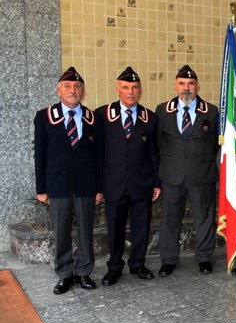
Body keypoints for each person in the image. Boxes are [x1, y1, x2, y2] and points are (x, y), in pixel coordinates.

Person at [34, 67, 103, 294]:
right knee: (61, 231)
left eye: (77, 87)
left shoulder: (93, 118)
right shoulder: (44, 117)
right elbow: (40, 155)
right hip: (58, 185)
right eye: (67, 86)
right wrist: (41, 189)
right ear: (58, 91)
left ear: (82, 92)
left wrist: (99, 189)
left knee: (85, 231)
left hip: (86, 185)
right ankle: (64, 274)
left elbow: (99, 156)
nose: (72, 90)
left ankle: (84, 272)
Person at [97, 67, 160, 286]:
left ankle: (138, 264)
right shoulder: (102, 115)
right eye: (125, 87)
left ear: (140, 90)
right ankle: (114, 267)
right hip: (113, 183)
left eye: (134, 87)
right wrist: (98, 185)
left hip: (141, 182)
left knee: (141, 225)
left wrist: (156, 183)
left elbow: (154, 153)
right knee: (114, 227)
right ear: (118, 90)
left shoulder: (149, 117)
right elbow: (97, 153)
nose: (130, 91)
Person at [155, 65, 219, 277]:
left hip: (201, 175)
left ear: (197, 86)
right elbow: (158, 144)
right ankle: (168, 259)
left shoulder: (211, 111)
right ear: (175, 86)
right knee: (169, 219)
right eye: (182, 83)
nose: (186, 88)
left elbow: (215, 144)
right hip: (172, 175)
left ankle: (204, 258)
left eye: (190, 84)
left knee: (204, 218)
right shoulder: (162, 110)